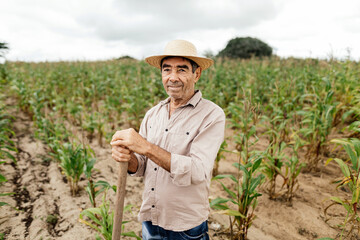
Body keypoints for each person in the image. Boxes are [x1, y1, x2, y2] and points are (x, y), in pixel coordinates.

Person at [111, 39, 225, 240]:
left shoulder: (211, 115)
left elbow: (198, 170)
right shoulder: (153, 114)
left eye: (181, 70)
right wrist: (128, 157)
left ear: (196, 74)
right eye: (167, 70)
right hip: (151, 220)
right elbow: (142, 166)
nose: (173, 77)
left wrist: (145, 147)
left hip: (185, 228)